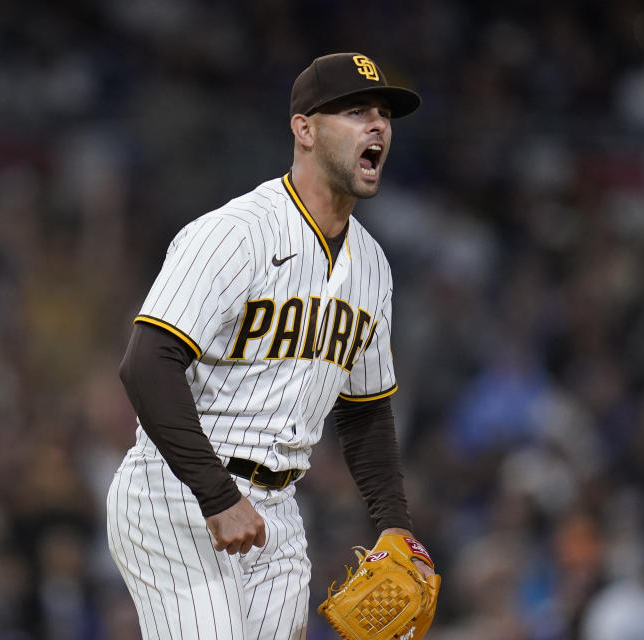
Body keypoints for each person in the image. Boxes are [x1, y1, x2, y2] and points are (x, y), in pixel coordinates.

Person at [105, 52, 434, 640]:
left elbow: (364, 412)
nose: (378, 125)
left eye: (383, 114)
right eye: (356, 111)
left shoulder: (374, 268)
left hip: (279, 510)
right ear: (304, 129)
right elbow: (146, 365)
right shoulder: (235, 234)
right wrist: (216, 495)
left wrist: (393, 524)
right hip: (177, 494)